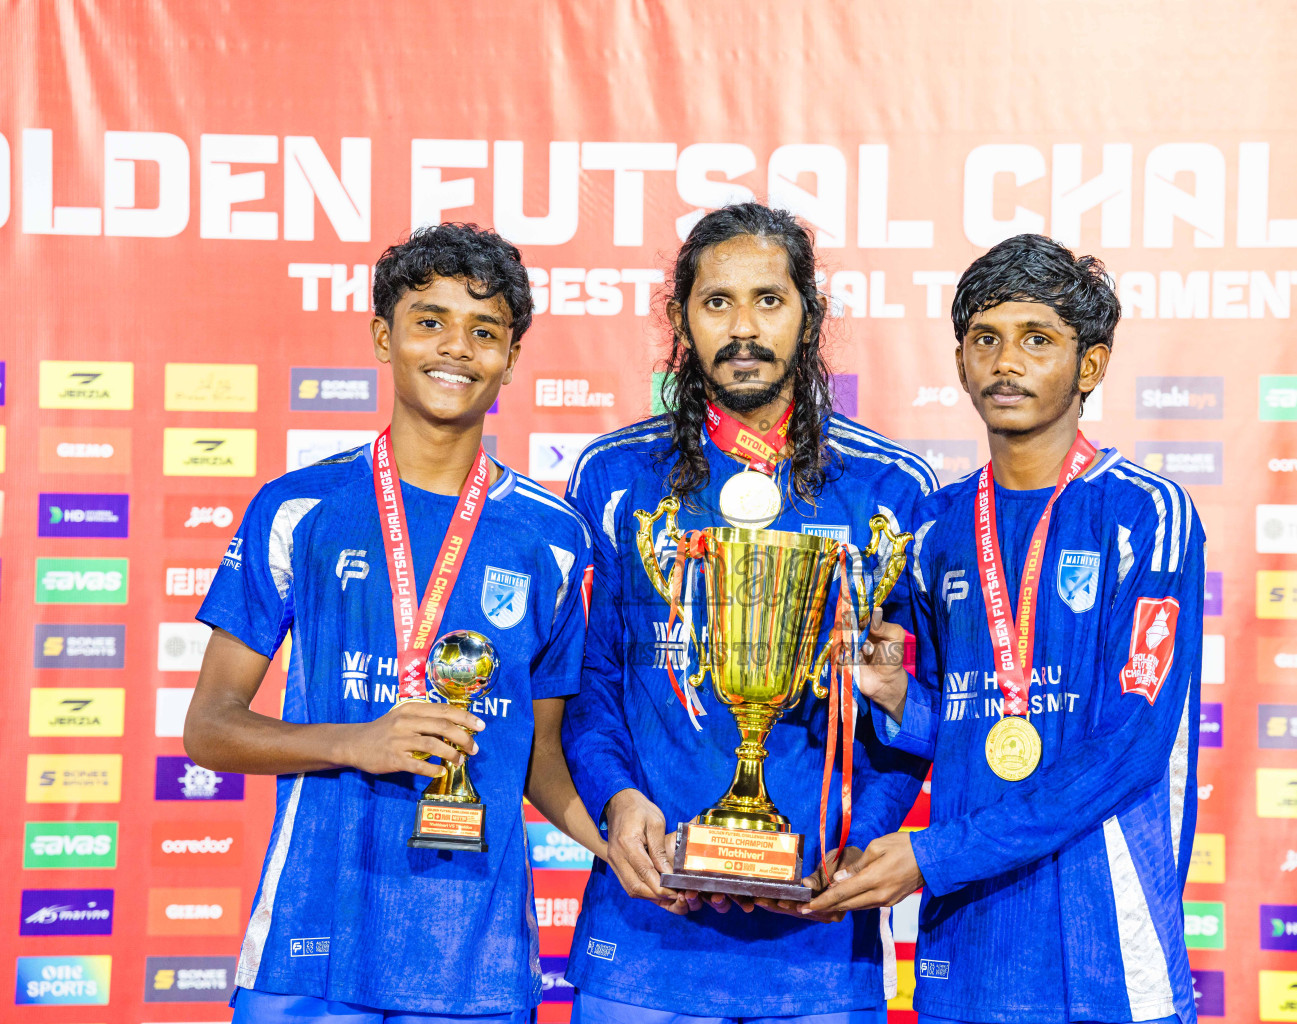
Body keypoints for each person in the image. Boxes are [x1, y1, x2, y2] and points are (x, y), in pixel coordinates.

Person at [183, 223, 603, 1024]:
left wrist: (627, 850)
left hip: (473, 963)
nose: (457, 348)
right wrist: (352, 741)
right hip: (312, 944)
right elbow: (209, 729)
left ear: (511, 358)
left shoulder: (553, 537)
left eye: (486, 331)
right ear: (384, 337)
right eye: (429, 321)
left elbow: (540, 756)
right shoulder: (300, 507)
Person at [806, 234, 1205, 1024]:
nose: (1005, 362)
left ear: (1088, 367)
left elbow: (1126, 749)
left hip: (1101, 949)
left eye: (1036, 341)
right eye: (984, 340)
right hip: (969, 945)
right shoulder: (939, 526)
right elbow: (950, 726)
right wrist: (891, 695)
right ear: (959, 363)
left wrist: (929, 855)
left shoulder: (1144, 514)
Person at [561, 202, 935, 1024]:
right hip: (644, 934)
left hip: (820, 944)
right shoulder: (611, 476)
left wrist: (856, 842)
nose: (743, 328)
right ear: (681, 319)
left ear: (810, 315)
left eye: (769, 300)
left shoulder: (891, 489)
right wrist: (618, 801)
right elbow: (589, 681)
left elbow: (906, 705)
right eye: (716, 302)